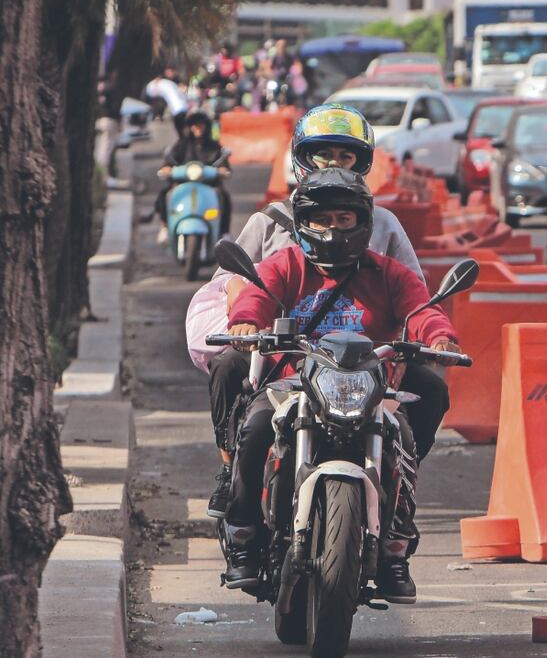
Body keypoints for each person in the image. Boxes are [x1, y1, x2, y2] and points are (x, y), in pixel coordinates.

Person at [220, 167, 463, 602]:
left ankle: (395, 545)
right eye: (322, 220)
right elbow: (255, 298)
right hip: (293, 386)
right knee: (256, 428)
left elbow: (421, 309)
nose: (333, 231)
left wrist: (437, 336)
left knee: (403, 436)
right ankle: (243, 535)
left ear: (362, 222)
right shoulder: (286, 264)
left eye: (344, 220)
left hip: (370, 389)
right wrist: (244, 325)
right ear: (302, 224)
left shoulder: (387, 272)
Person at [192, 104, 437, 524]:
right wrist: (246, 314)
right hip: (285, 359)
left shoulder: (386, 226)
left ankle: (398, 488)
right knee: (230, 369)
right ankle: (234, 473)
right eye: (324, 154)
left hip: (366, 364)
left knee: (432, 389)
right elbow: (231, 282)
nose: (334, 229)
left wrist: (425, 340)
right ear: (303, 159)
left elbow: (416, 298)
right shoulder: (270, 223)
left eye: (346, 157)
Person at [154, 110, 232, 244]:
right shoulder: (181, 145)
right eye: (195, 125)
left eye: (201, 125)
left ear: (206, 126)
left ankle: (224, 232)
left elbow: (224, 166)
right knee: (165, 195)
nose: (198, 129)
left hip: (208, 185)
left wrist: (222, 171)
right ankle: (164, 227)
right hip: (182, 184)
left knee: (223, 196)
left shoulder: (214, 146)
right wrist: (167, 169)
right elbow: (168, 162)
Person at [144, 66, 190, 137]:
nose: (168, 73)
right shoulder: (163, 80)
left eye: (169, 72)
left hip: (178, 106)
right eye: (167, 72)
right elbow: (157, 81)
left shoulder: (175, 80)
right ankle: (158, 115)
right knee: (159, 103)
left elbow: (181, 87)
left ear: (173, 72)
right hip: (170, 101)